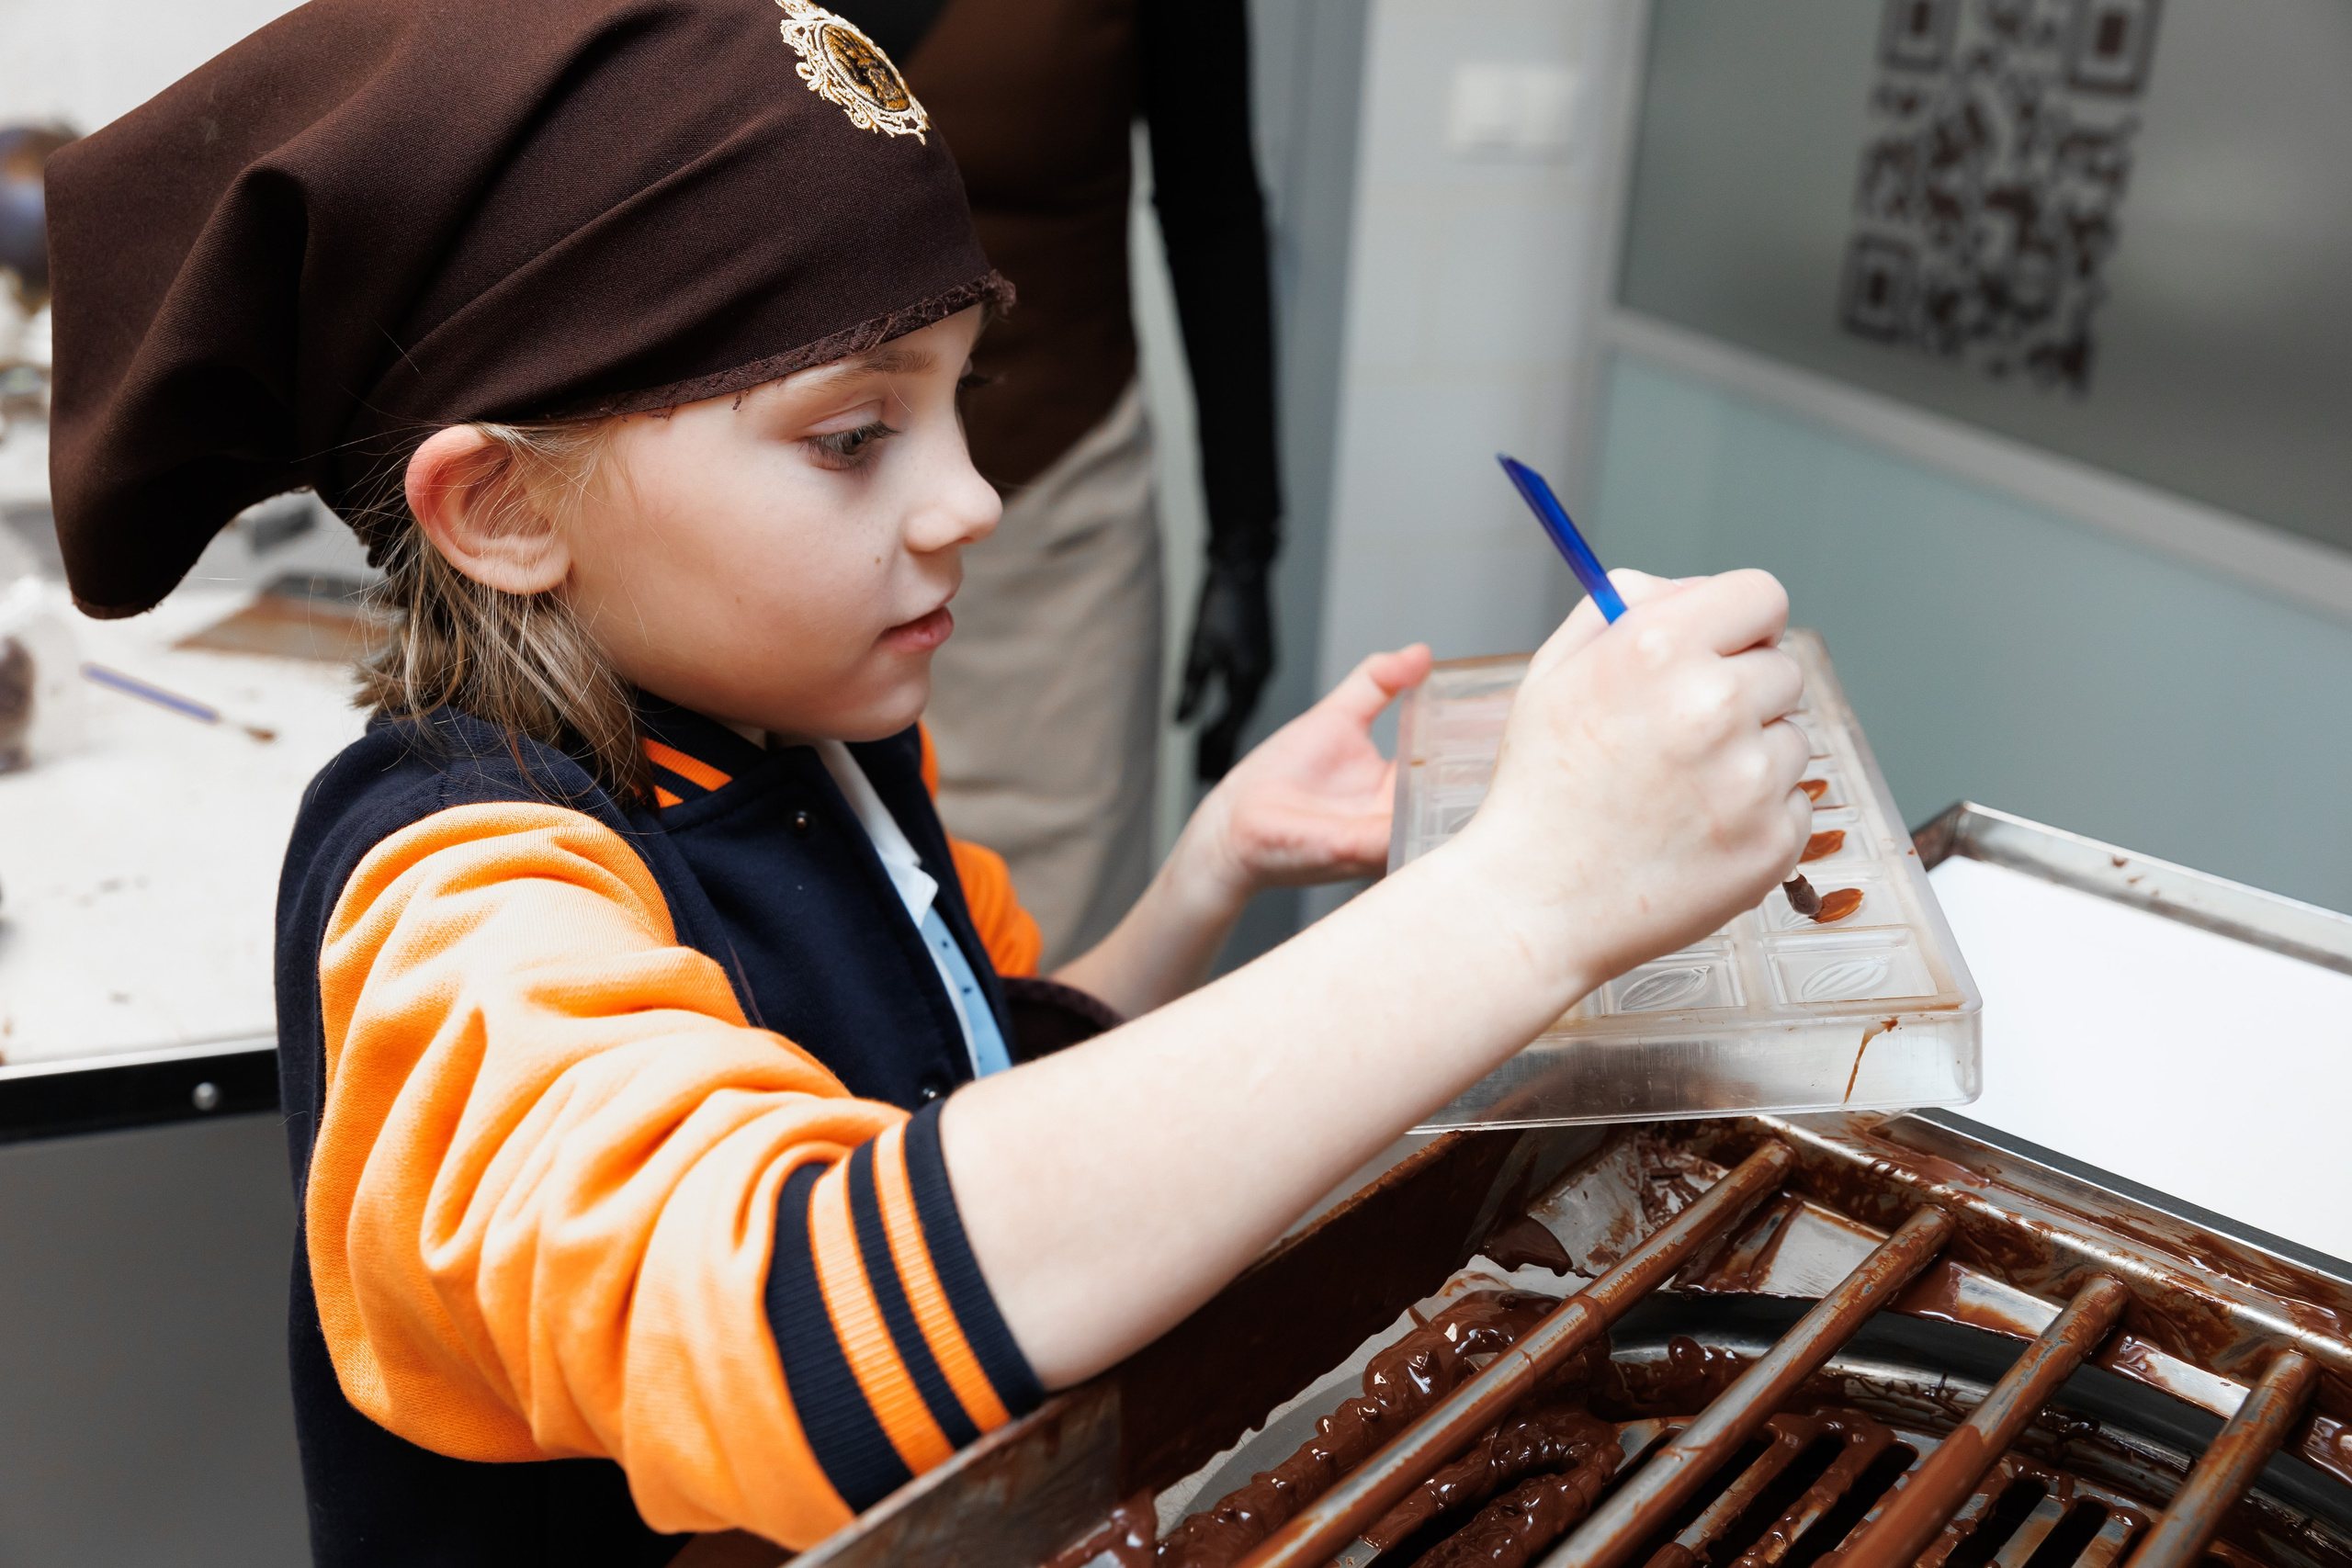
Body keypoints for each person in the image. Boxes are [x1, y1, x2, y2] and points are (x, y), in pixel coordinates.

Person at [44, 3, 1813, 1562]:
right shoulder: (460, 901)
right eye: (851, 434)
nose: (971, 499)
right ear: (503, 509)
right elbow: (810, 1324)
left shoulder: (811, 744)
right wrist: (1518, 899)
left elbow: (959, 1105)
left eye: (963, 402)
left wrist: (1202, 877)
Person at [831, 0, 1284, 964]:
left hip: (1059, 514)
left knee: (1059, 939)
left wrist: (1247, 538)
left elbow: (1214, 213)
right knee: (826, 923)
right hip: (796, 523)